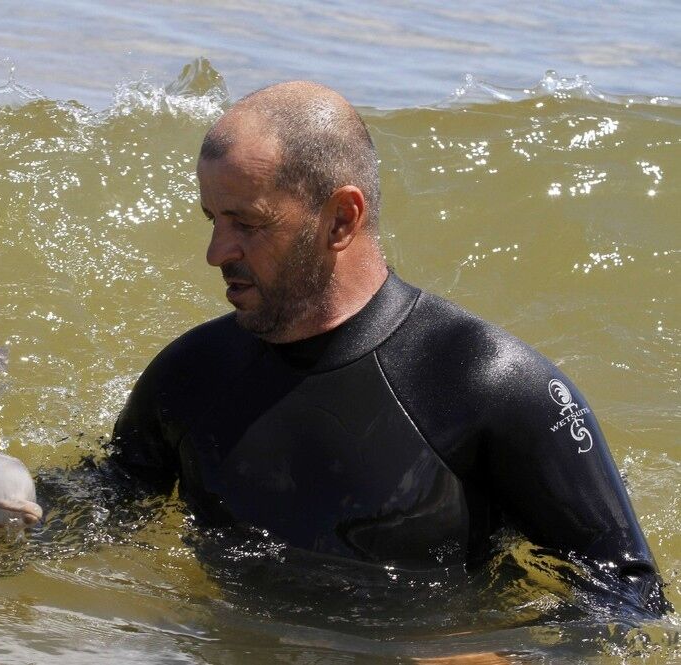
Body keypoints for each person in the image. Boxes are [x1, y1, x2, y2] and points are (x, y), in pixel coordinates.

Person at [103, 81, 667, 613]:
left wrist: (499, 656)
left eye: (246, 224)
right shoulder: (192, 375)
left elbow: (629, 599)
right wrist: (21, 506)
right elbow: (100, 507)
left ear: (341, 219)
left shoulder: (492, 385)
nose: (216, 252)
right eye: (212, 219)